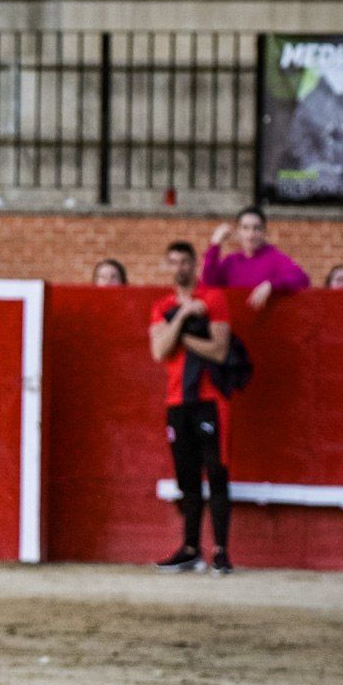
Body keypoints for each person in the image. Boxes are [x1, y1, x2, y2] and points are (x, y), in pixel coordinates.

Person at [150, 241, 234, 576]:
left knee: (216, 474)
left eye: (184, 261)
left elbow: (218, 350)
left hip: (210, 400)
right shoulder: (164, 305)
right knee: (187, 478)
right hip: (177, 401)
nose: (179, 268)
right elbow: (158, 352)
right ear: (167, 267)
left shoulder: (213, 299)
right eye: (173, 262)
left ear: (194, 265)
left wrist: (180, 336)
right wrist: (184, 315)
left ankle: (221, 551)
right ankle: (189, 549)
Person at [201, 206, 308, 310]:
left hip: (266, 325)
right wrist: (215, 244)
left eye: (256, 228)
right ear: (238, 232)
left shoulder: (275, 258)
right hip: (234, 324)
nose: (251, 235)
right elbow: (209, 283)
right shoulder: (231, 261)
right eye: (245, 228)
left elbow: (302, 279)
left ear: (264, 232)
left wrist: (270, 285)